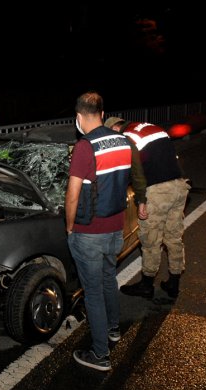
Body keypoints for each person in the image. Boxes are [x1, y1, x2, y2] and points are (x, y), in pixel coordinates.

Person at [65, 92, 148, 372]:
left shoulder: (85, 147)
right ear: (102, 113)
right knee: (108, 279)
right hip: (115, 228)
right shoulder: (123, 141)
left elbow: (73, 194)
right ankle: (113, 329)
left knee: (93, 293)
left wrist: (70, 228)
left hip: (90, 232)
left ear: (78, 117)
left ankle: (100, 354)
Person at [107, 117, 191, 300]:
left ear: (115, 128)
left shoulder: (127, 137)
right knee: (173, 237)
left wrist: (139, 198)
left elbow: (134, 171)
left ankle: (146, 285)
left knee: (151, 240)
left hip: (158, 191)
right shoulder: (151, 127)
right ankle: (174, 283)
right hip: (179, 185)